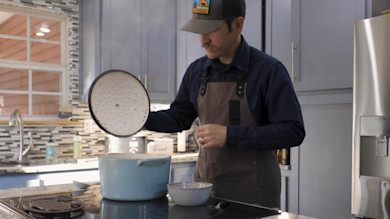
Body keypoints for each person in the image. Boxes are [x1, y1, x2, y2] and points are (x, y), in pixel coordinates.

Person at [144, 0, 305, 208]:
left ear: (237, 25)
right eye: (199, 31)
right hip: (205, 194)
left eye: (211, 30)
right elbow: (178, 118)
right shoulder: (196, 71)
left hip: (254, 199)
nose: (203, 41)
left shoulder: (269, 70)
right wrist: (138, 119)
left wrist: (230, 135)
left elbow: (293, 131)